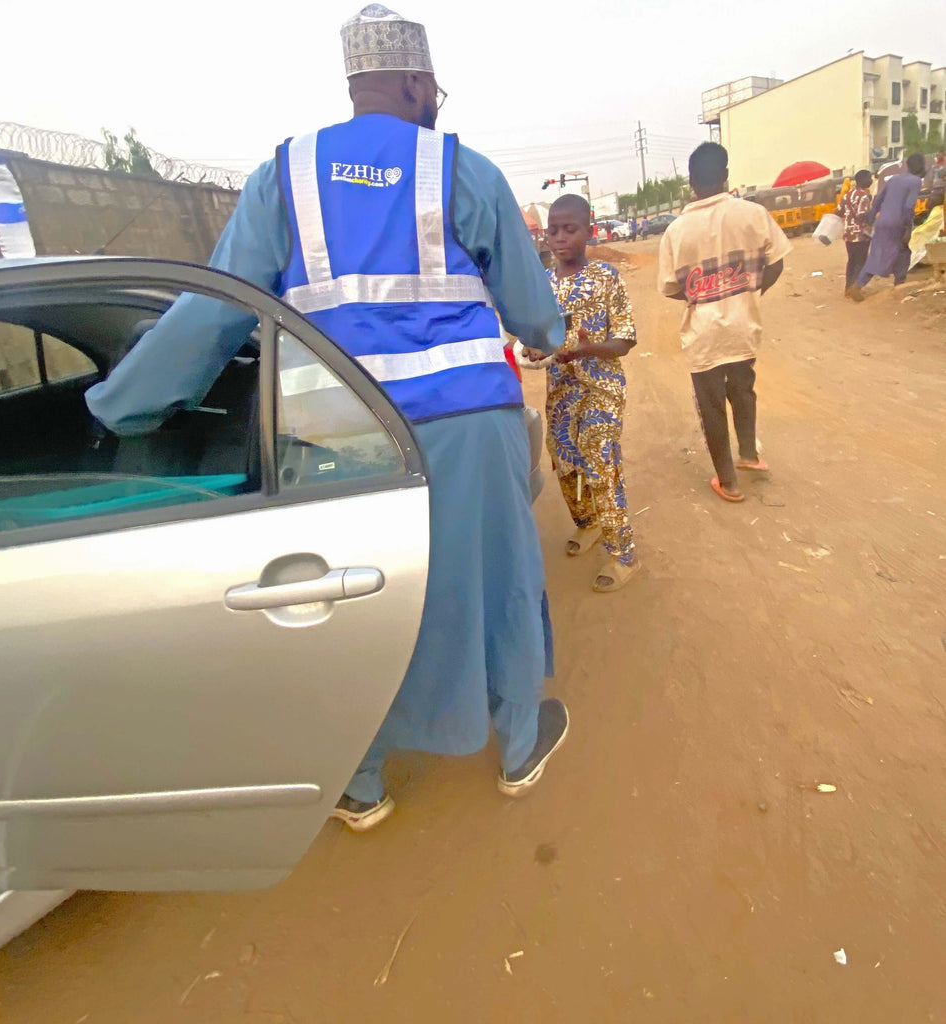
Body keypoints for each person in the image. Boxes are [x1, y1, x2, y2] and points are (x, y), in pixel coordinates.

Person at [85, 4, 569, 832]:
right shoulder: (463, 169)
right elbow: (533, 314)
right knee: (494, 578)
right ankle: (520, 743)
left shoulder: (285, 176)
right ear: (416, 81)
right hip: (464, 425)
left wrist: (120, 405)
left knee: (358, 603)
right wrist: (548, 333)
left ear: (355, 83)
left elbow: (215, 311)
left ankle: (362, 780)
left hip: (338, 434)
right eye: (435, 90)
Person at [657, 142, 790, 503]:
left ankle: (728, 481)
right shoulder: (753, 213)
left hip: (703, 334)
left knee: (711, 404)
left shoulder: (676, 231)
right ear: (726, 175)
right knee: (744, 389)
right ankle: (749, 455)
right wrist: (749, 290)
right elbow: (776, 261)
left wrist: (703, 294)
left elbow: (670, 287)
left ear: (690, 182)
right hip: (743, 323)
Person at [535, 195, 638, 592]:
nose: (559, 238)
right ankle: (589, 522)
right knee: (563, 459)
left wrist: (586, 349)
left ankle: (623, 552)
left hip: (602, 388)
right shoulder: (542, 286)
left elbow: (625, 339)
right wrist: (535, 348)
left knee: (599, 457)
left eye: (570, 229)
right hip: (561, 390)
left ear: (588, 231)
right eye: (553, 230)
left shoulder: (607, 277)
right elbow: (539, 337)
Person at [848, 153, 925, 301]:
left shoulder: (894, 179)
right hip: (898, 222)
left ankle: (857, 285)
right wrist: (908, 228)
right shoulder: (915, 181)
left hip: (882, 220)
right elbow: (909, 206)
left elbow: (878, 199)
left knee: (877, 253)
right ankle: (899, 284)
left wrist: (871, 217)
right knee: (903, 252)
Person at [836, 169, 874, 294]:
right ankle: (855, 287)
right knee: (861, 261)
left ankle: (848, 287)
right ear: (863, 180)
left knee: (852, 261)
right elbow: (861, 215)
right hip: (860, 234)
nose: (871, 180)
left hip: (848, 233)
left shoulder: (847, 194)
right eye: (869, 178)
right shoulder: (863, 196)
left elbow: (839, 211)